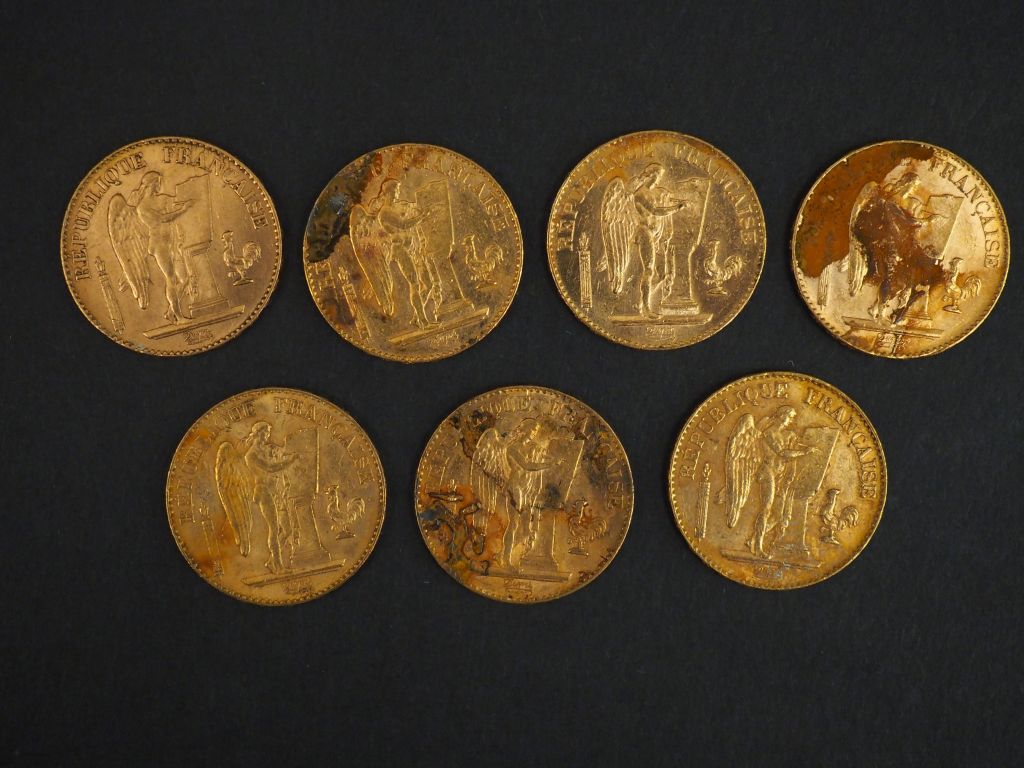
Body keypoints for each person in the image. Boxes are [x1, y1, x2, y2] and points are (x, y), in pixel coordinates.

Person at [748, 407, 815, 557]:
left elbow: (790, 447)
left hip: (780, 474)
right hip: (767, 472)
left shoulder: (787, 434)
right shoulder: (769, 433)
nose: (791, 420)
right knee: (766, 509)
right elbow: (782, 453)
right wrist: (804, 452)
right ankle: (758, 546)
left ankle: (752, 539)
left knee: (778, 515)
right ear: (782, 415)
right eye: (790, 417)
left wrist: (796, 442)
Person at [242, 422, 297, 573]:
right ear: (257, 433)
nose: (267, 435)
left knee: (287, 529)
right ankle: (278, 566)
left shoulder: (266, 449)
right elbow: (270, 467)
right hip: (264, 491)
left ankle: (272, 561)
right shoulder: (251, 455)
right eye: (265, 432)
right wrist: (290, 461)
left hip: (276, 491)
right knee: (274, 528)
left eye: (268, 432)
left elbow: (279, 454)